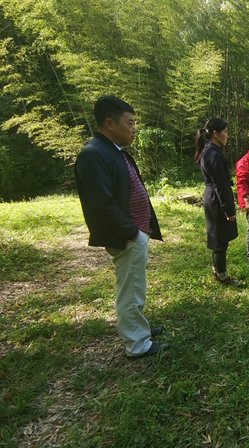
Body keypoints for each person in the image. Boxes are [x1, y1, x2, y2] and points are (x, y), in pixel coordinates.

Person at [74, 95, 168, 360]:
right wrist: (132, 232)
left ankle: (139, 328)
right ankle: (137, 344)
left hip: (134, 232)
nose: (134, 129)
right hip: (127, 235)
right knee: (131, 290)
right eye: (130, 123)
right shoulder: (94, 154)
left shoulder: (111, 150)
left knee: (135, 286)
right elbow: (101, 204)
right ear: (110, 123)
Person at [195, 118, 243, 287]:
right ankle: (222, 276)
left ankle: (217, 271)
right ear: (215, 133)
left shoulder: (210, 151)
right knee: (220, 240)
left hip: (213, 197)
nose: (227, 136)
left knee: (219, 237)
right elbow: (220, 185)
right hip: (216, 199)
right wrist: (228, 210)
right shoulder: (213, 154)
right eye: (226, 132)